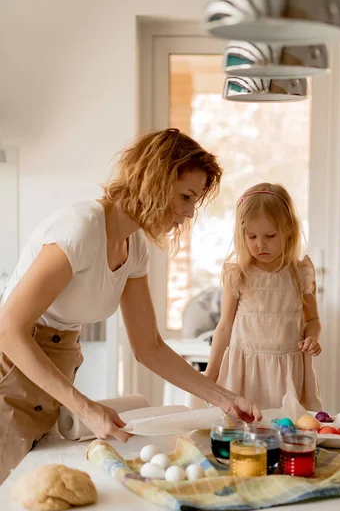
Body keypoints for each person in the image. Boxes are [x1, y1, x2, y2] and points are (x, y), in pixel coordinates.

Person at [0, 128, 261, 484]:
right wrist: (86, 408)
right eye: (185, 196)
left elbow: (149, 347)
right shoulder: (79, 230)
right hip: (10, 373)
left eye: (194, 202)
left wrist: (226, 399)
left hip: (51, 374)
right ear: (154, 180)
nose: (187, 213)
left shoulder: (133, 248)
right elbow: (8, 329)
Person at [203, 182, 323, 411]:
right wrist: (211, 372)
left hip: (287, 372)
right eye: (252, 237)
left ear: (288, 229)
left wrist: (313, 338)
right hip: (244, 372)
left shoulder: (301, 274)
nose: (260, 245)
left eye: (270, 235)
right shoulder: (238, 274)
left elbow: (312, 320)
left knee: (285, 430)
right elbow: (225, 327)